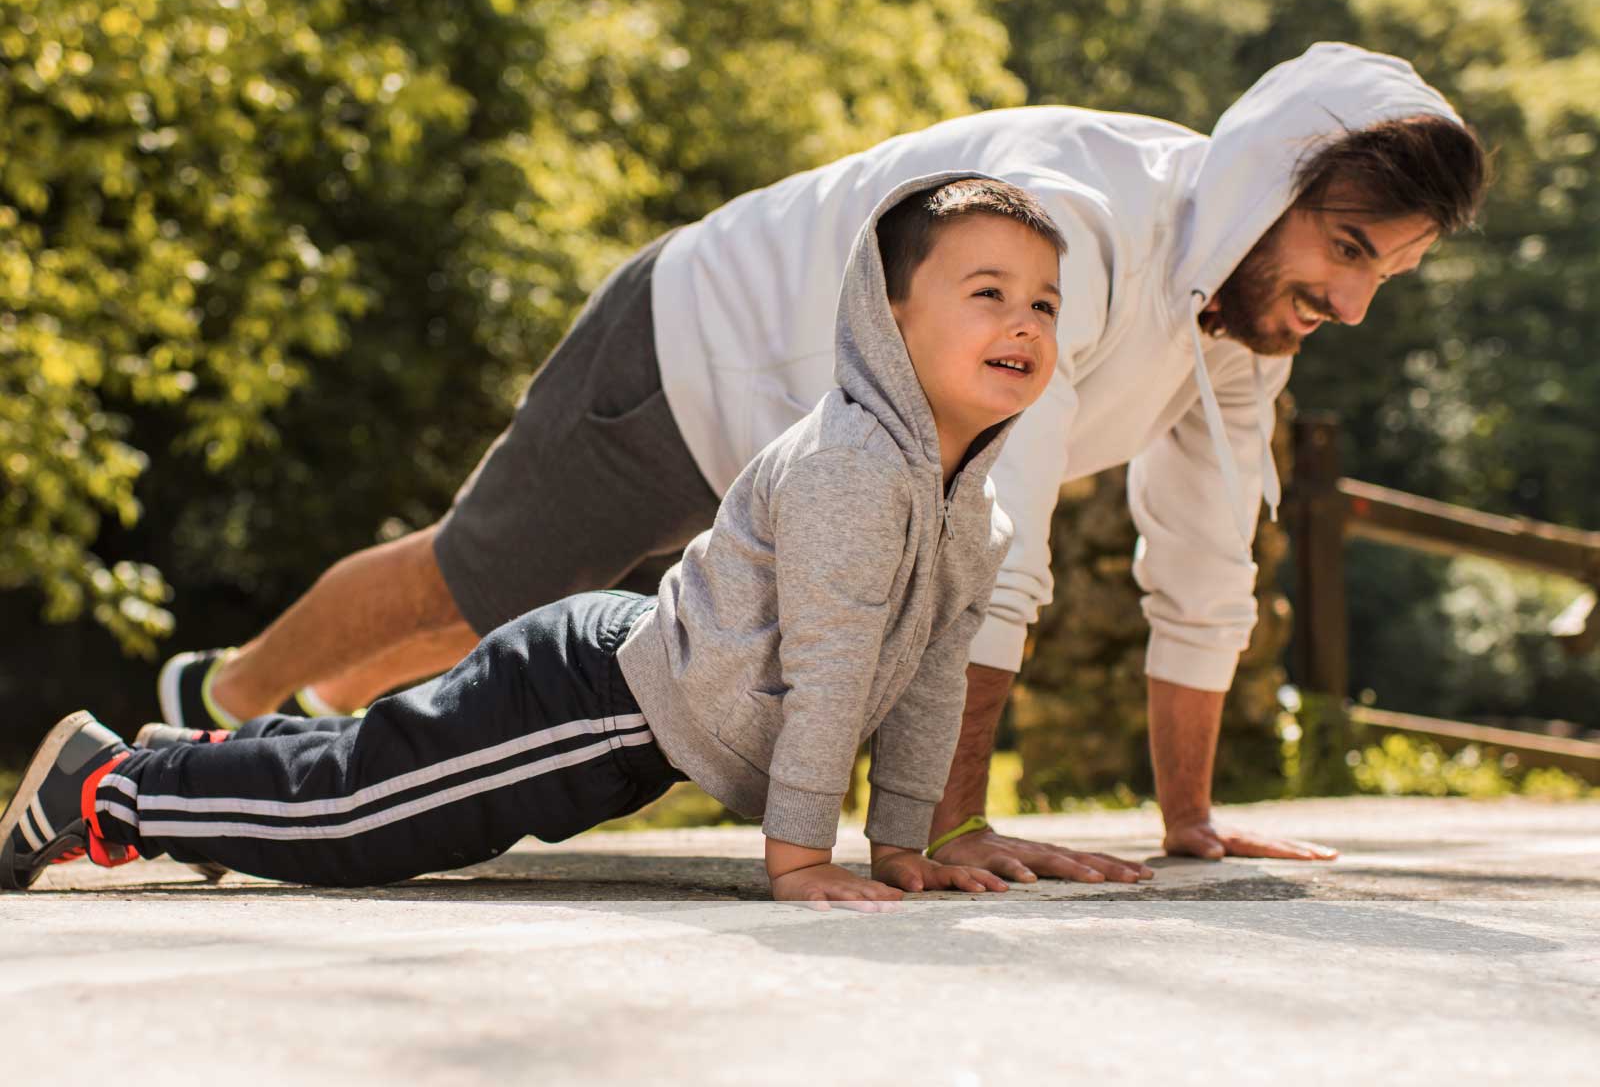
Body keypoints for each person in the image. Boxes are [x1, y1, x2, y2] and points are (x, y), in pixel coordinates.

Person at [152, 41, 1487, 880]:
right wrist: (954, 831)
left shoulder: (1244, 319)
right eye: (1348, 252)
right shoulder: (1072, 215)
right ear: (1269, 185)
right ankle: (215, 706)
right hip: (701, 351)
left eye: (1393, 275)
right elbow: (997, 544)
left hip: (814, 440)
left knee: (489, 618)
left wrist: (1189, 823)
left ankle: (287, 738)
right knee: (473, 585)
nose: (1355, 303)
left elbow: (1203, 561)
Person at [3, 176, 1064, 902]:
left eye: (1044, 304)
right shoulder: (852, 467)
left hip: (618, 701)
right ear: (885, 314)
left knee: (374, 766)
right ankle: (113, 790)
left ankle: (180, 762)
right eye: (987, 294)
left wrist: (900, 843)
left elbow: (925, 677)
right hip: (589, 702)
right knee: (360, 818)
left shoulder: (972, 507)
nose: (1023, 322)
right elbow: (834, 669)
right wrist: (800, 859)